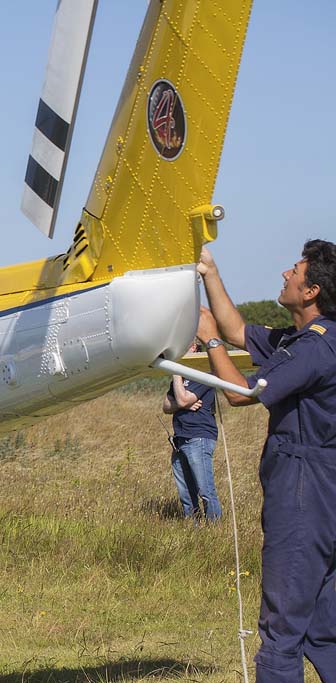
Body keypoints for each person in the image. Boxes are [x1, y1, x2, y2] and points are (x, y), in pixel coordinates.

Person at [196, 239, 336, 683]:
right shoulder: (307, 339)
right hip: (322, 492)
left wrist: (208, 339)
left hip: (304, 493)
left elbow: (240, 394)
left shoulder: (314, 349)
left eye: (294, 270)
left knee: (281, 631)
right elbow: (239, 331)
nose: (284, 274)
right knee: (322, 629)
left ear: (311, 290)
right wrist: (208, 272)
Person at [162, 343, 222, 522]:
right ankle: (193, 528)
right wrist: (185, 402)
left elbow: (181, 400)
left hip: (199, 437)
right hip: (180, 439)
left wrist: (176, 373)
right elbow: (166, 406)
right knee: (186, 493)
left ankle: (215, 528)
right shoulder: (180, 378)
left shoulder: (204, 374)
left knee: (205, 490)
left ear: (194, 347)